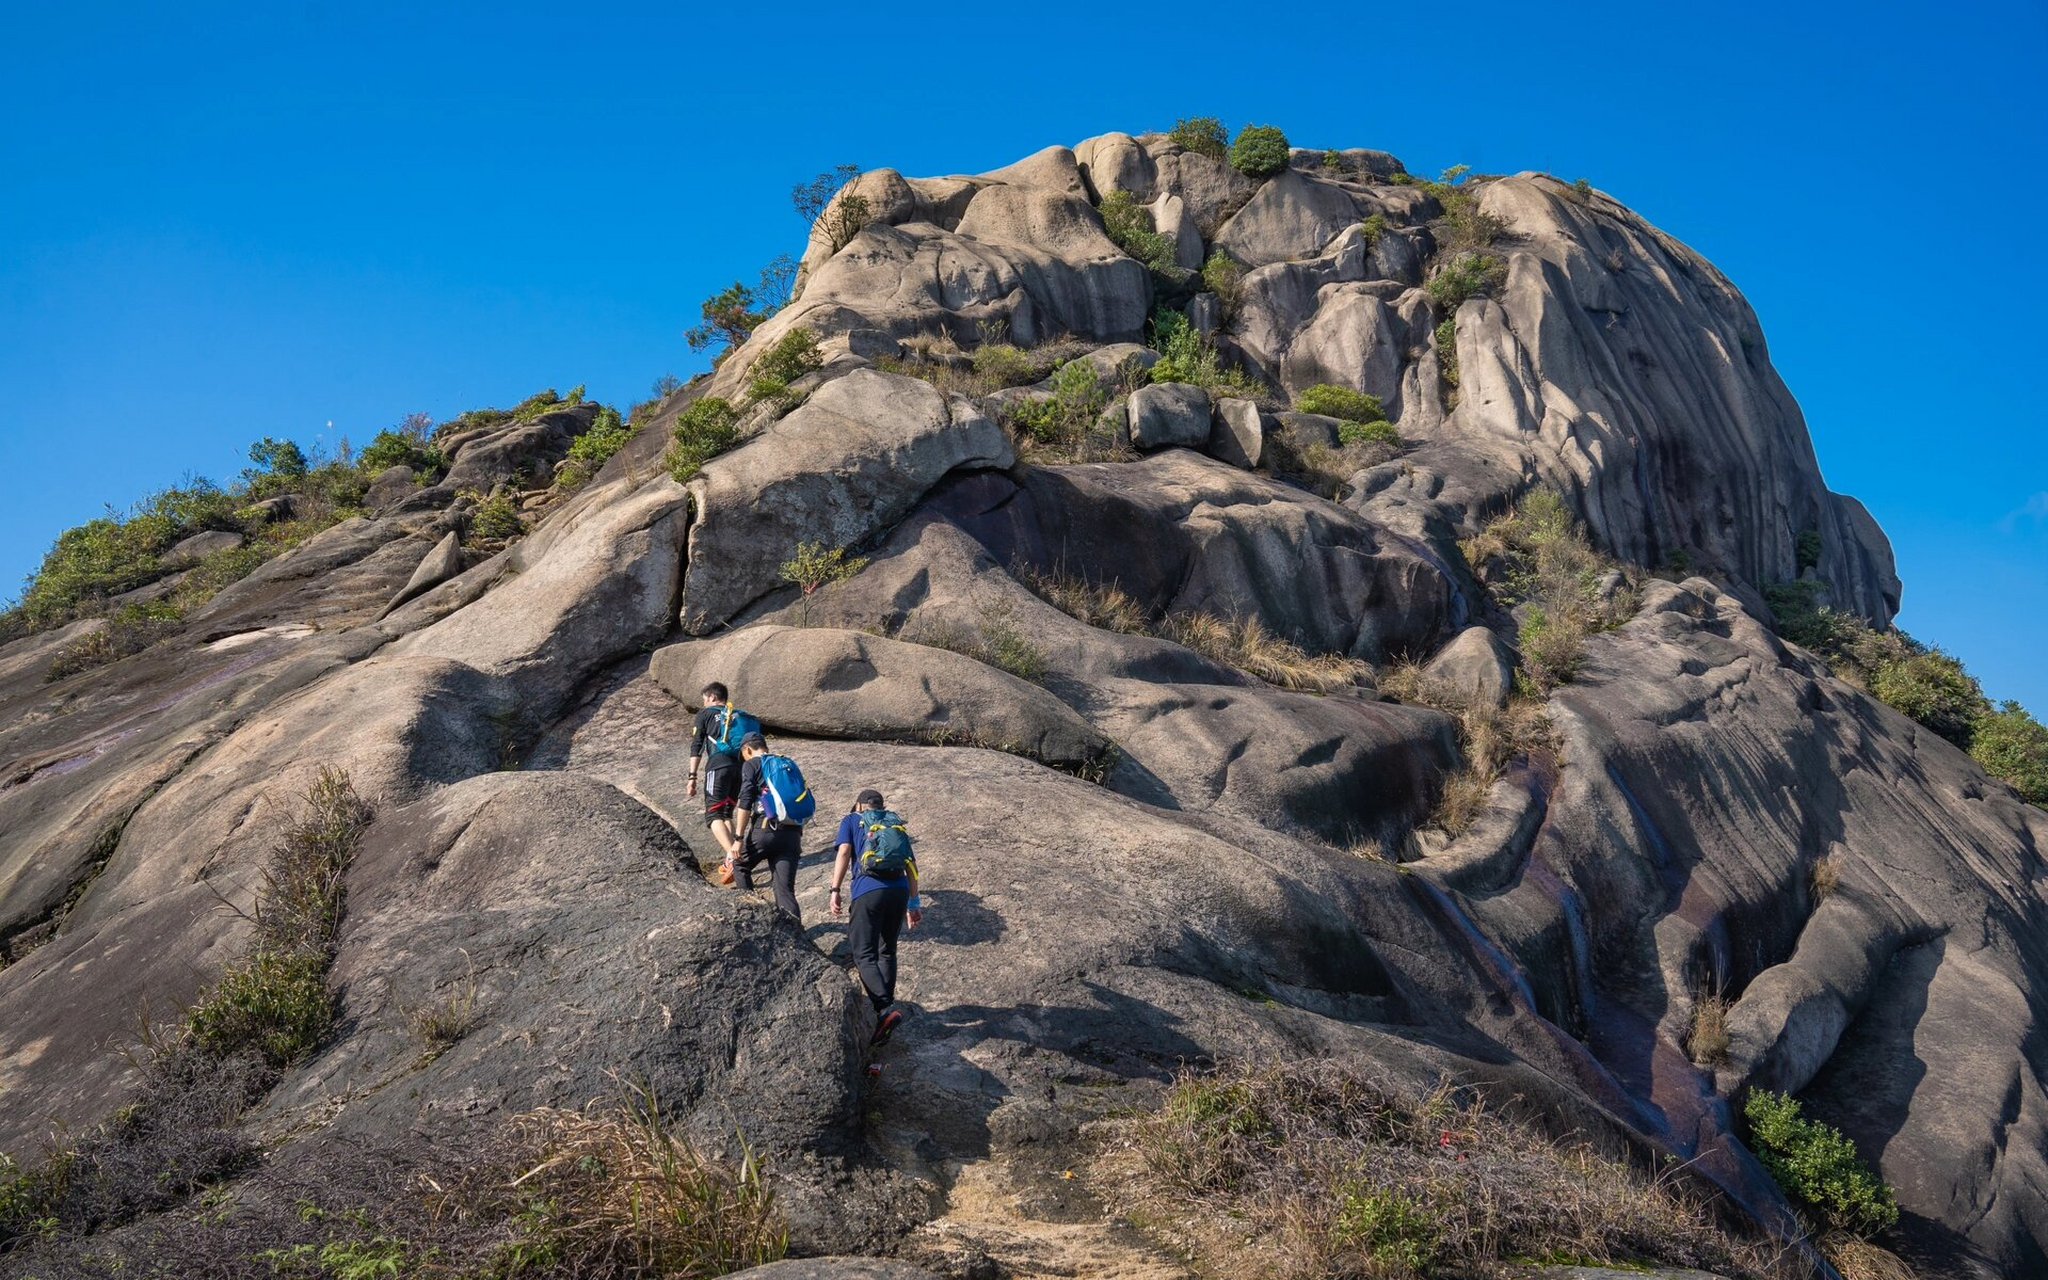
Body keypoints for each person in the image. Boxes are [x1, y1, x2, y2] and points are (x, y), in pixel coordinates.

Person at [830, 789, 922, 1046]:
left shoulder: (851, 820)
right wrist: (914, 904)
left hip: (868, 890)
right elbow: (910, 865)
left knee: (863, 953)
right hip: (899, 891)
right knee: (887, 951)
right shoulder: (894, 821)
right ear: (880, 805)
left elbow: (845, 851)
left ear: (859, 805)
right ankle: (886, 1011)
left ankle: (884, 1008)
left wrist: (835, 889)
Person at [729, 733, 806, 922]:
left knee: (740, 865)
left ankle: (753, 917)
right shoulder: (786, 763)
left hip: (766, 829)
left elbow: (745, 801)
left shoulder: (752, 764)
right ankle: (796, 934)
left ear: (747, 749)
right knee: (785, 890)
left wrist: (738, 839)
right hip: (792, 833)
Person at [685, 682, 743, 864]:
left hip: (718, 766)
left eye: (704, 699)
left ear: (712, 698)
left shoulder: (705, 714)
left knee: (713, 814)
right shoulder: (736, 715)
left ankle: (734, 858)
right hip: (739, 768)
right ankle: (734, 852)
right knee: (726, 813)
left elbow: (697, 746)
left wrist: (692, 777)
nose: (703, 703)